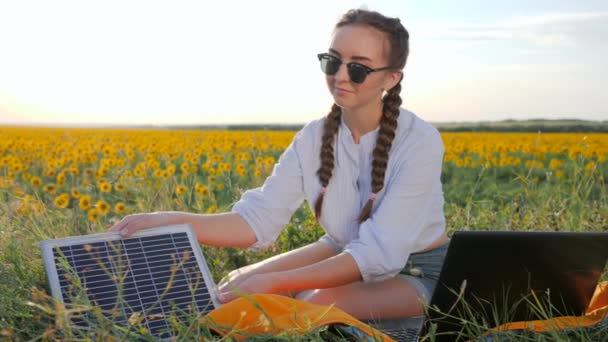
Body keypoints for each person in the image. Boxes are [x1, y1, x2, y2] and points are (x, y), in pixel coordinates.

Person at [108, 8, 449, 321]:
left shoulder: (419, 141)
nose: (340, 76)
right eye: (333, 61)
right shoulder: (314, 137)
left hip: (416, 270)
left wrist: (276, 282)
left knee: (304, 304)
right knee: (236, 286)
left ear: (390, 79)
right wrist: (171, 220)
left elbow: (377, 253)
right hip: (341, 247)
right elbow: (255, 221)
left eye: (357, 67)